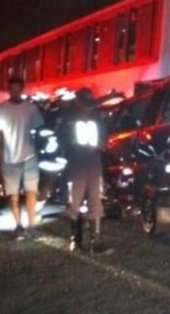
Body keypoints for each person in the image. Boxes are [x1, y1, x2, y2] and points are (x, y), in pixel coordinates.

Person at [0, 77, 44, 239]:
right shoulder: (1, 110)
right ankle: (18, 224)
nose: (15, 92)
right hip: (9, 158)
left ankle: (32, 225)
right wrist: (0, 157)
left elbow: (39, 131)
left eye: (17, 89)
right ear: (9, 90)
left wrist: (39, 151)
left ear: (22, 89)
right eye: (12, 89)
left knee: (31, 192)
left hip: (30, 156)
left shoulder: (31, 108)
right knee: (12, 195)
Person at [59, 88, 112, 254]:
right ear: (78, 103)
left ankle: (96, 240)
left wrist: (102, 145)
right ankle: (76, 239)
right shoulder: (68, 118)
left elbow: (104, 137)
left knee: (96, 199)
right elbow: (61, 138)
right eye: (84, 104)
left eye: (89, 105)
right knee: (73, 202)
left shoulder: (97, 118)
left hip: (94, 161)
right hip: (75, 162)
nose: (87, 108)